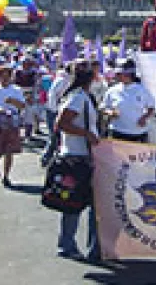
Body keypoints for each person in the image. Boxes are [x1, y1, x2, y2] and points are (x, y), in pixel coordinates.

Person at [55, 63, 101, 261]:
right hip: (78, 156)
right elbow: (62, 124)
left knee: (87, 202)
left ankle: (92, 247)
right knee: (76, 202)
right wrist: (87, 134)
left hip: (83, 154)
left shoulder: (81, 97)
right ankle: (69, 244)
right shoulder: (77, 98)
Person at [101, 58, 155, 143]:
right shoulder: (112, 90)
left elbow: (151, 107)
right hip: (117, 132)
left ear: (128, 74)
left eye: (119, 74)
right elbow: (103, 108)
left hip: (138, 133)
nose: (116, 76)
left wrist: (144, 117)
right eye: (116, 73)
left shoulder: (142, 90)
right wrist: (110, 112)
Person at [40, 62, 73, 167]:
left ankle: (56, 157)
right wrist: (56, 111)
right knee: (54, 136)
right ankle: (46, 157)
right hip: (54, 111)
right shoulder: (61, 80)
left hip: (60, 110)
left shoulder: (69, 80)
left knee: (60, 136)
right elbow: (52, 96)